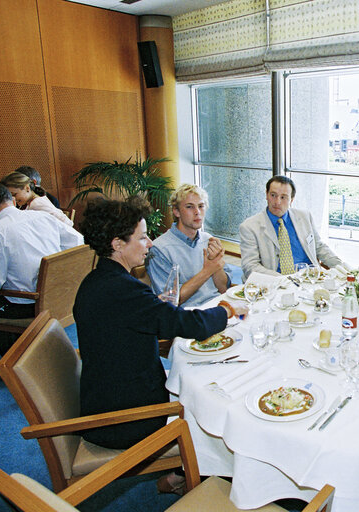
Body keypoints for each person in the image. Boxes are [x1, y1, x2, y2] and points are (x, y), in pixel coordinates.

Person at [73, 198, 246, 493]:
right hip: (123, 418)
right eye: (141, 237)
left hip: (105, 393)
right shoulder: (123, 291)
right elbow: (187, 325)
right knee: (218, 407)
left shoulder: (98, 280)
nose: (149, 243)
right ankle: (193, 475)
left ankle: (187, 472)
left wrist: (155, 307)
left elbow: (136, 317)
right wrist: (227, 310)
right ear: (117, 244)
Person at [0, 182, 82, 354]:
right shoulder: (42, 217)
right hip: (59, 297)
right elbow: (76, 241)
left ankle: (11, 351)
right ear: (12, 200)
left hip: (28, 305)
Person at [239, 175, 345, 280]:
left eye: (283, 197)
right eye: (273, 195)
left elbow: (320, 247)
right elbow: (250, 266)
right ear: (266, 195)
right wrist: (285, 280)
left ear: (292, 199)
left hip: (309, 279)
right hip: (274, 283)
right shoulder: (249, 227)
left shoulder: (305, 217)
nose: (277, 202)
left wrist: (343, 268)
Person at [147, 184, 232, 307]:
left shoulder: (209, 240)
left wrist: (216, 266)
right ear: (176, 211)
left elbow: (224, 289)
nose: (197, 212)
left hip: (218, 306)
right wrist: (207, 271)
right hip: (186, 315)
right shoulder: (159, 249)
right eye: (189, 207)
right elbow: (169, 302)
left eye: (201, 206)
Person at [0, 171, 73, 227]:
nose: (13, 199)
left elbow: (67, 223)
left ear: (27, 188)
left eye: (14, 194)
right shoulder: (33, 201)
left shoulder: (37, 204)